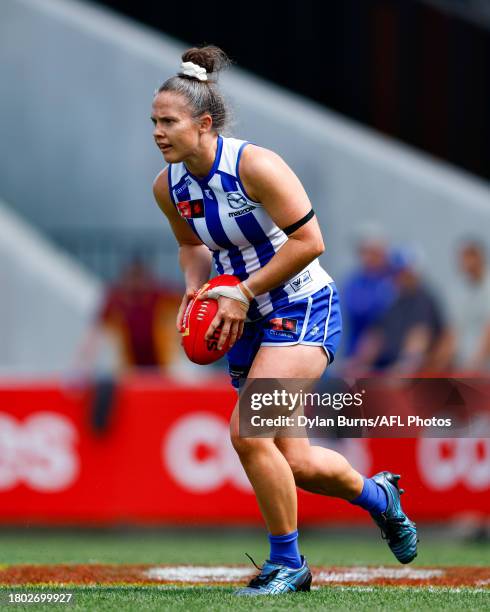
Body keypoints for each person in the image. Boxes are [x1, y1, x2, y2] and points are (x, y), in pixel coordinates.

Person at [152, 45, 418, 596]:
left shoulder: (255, 165)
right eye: (153, 121)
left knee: (247, 433)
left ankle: (288, 566)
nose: (158, 132)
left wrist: (244, 290)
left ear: (203, 124)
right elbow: (190, 247)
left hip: (301, 307)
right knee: (292, 460)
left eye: (169, 122)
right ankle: (379, 497)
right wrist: (192, 289)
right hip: (244, 318)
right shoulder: (168, 187)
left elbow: (310, 241)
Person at [346, 248, 446, 376]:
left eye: (405, 272)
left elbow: (419, 337)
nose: (401, 276)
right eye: (398, 272)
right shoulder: (392, 298)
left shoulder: (424, 299)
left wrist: (405, 366)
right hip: (389, 367)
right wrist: (358, 363)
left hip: (418, 374)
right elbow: (376, 335)